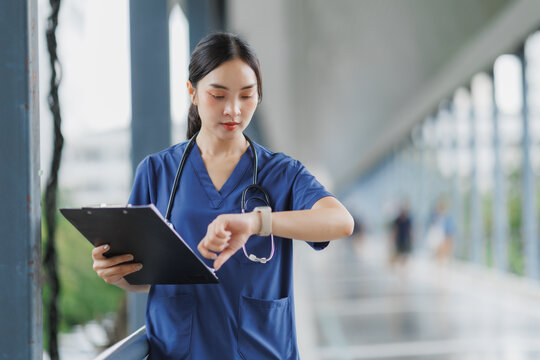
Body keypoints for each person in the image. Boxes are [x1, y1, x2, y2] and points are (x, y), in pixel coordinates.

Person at [91, 32, 354, 359]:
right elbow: (147, 277)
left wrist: (257, 222)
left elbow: (340, 221)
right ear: (193, 92)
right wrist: (117, 274)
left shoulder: (281, 173)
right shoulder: (157, 172)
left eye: (247, 96)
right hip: (178, 352)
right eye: (218, 95)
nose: (233, 110)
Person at [390, 203, 413, 268]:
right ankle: (397, 265)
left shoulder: (408, 220)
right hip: (399, 239)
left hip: (405, 238)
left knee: (404, 254)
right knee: (398, 253)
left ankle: (402, 267)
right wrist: (393, 238)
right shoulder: (397, 220)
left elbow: (410, 230)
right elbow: (395, 230)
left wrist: (411, 238)